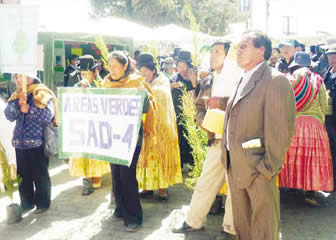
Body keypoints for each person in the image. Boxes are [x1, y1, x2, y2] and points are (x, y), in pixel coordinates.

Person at [221, 31, 296, 240]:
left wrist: (267, 169)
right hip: (235, 165)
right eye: (238, 47)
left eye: (244, 46)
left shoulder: (275, 80)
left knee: (263, 230)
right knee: (243, 227)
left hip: (259, 170)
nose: (238, 51)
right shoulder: (244, 77)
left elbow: (282, 130)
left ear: (261, 50)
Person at [173, 39, 236, 239]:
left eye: (218, 51)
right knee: (205, 183)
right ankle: (193, 222)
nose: (213, 55)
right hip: (214, 140)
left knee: (234, 189)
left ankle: (230, 229)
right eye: (212, 51)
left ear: (229, 55)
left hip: (235, 141)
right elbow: (200, 105)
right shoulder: (208, 80)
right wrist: (204, 122)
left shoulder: (239, 78)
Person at [102, 51, 155, 232]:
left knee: (127, 177)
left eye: (115, 66)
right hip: (111, 138)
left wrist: (142, 97)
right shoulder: (105, 83)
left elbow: (148, 107)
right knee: (116, 176)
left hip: (130, 138)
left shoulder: (136, 83)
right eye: (109, 66)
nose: (112, 70)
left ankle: (134, 217)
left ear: (125, 66)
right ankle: (119, 209)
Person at [278, 51, 334, 206]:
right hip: (314, 124)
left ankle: (292, 187)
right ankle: (310, 192)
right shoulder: (318, 79)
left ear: (294, 65)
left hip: (293, 124)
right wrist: (319, 121)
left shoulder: (288, 79)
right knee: (312, 159)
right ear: (309, 65)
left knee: (293, 157)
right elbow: (324, 103)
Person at [5, 73, 57, 214]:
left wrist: (30, 109)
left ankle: (43, 203)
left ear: (32, 77)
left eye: (23, 76)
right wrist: (18, 104)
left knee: (40, 175)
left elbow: (47, 116)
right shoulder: (16, 95)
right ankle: (27, 203)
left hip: (37, 143)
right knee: (23, 176)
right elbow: (8, 115)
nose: (19, 80)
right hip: (19, 143)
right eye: (17, 77)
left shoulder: (41, 93)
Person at [137, 53, 182, 201]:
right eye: (140, 72)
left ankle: (163, 189)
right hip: (148, 127)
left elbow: (158, 96)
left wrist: (144, 93)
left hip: (163, 127)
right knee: (147, 156)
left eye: (145, 71)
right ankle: (147, 186)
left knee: (161, 156)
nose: (143, 75)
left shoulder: (161, 82)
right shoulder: (144, 83)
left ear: (153, 70)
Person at [68, 55, 110, 195]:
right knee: (84, 153)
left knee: (96, 153)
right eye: (82, 73)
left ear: (94, 72)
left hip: (97, 123)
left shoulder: (101, 84)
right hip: (82, 123)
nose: (84, 76)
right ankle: (86, 177)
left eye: (87, 73)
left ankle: (96, 176)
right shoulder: (77, 85)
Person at [170, 50, 198, 169]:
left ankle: (192, 164)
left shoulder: (194, 78)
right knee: (179, 139)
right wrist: (171, 87)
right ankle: (180, 165)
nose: (182, 69)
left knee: (191, 138)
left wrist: (194, 82)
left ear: (189, 66)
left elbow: (198, 95)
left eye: (184, 65)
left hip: (191, 114)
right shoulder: (174, 78)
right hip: (177, 114)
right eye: (179, 66)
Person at [321, 44, 336, 188]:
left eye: (335, 55)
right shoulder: (327, 72)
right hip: (330, 118)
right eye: (331, 56)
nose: (333, 59)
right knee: (331, 149)